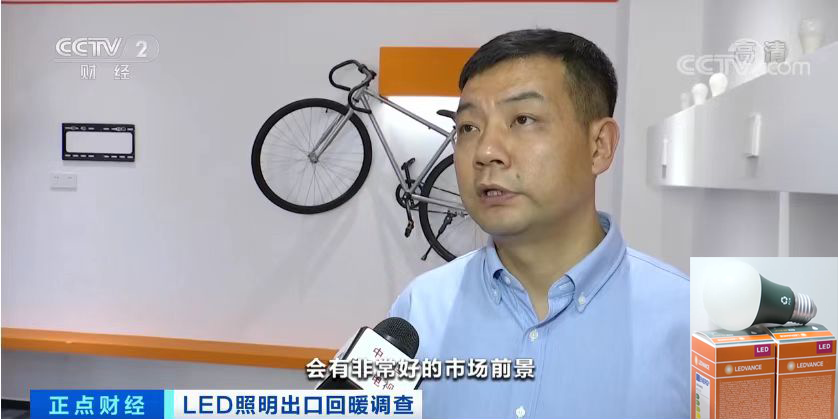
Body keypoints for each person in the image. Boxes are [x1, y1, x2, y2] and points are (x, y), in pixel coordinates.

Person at [388, 29, 689, 418]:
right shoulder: (419, 308)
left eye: (522, 119)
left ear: (599, 146)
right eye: (468, 128)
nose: (486, 152)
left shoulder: (690, 322)